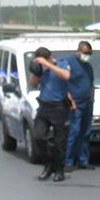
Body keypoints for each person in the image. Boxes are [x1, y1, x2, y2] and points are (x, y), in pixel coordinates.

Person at [31, 46, 74, 182]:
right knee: (38, 137)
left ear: (50, 57)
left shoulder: (62, 63)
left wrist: (48, 65)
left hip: (59, 108)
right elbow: (33, 84)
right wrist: (36, 72)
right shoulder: (41, 68)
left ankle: (59, 170)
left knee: (59, 142)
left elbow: (66, 76)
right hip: (44, 107)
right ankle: (48, 164)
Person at [63, 41, 96, 170]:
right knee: (74, 131)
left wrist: (92, 99)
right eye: (85, 53)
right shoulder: (68, 63)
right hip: (75, 103)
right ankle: (68, 161)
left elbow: (91, 83)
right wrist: (70, 101)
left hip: (87, 103)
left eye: (89, 53)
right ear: (78, 51)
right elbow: (63, 84)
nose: (87, 55)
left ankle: (83, 160)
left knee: (86, 132)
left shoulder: (88, 66)